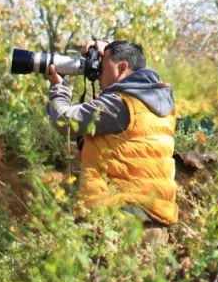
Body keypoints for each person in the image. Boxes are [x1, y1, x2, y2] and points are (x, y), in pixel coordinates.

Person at [46, 39, 178, 227]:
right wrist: (106, 49)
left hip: (120, 212)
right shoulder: (157, 101)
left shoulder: (120, 103)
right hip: (155, 213)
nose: (98, 73)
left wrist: (58, 89)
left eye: (103, 65)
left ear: (122, 67)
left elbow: (65, 121)